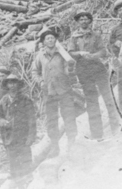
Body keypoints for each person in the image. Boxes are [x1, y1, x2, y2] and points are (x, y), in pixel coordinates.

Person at [67, 11, 119, 140]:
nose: (84, 21)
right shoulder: (74, 37)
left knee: (108, 97)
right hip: (84, 71)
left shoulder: (95, 35)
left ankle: (116, 129)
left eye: (86, 19)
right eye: (81, 20)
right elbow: (71, 52)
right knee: (92, 102)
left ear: (89, 21)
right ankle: (97, 134)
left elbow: (103, 50)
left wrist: (94, 55)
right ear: (78, 22)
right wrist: (81, 53)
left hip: (98, 68)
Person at [32, 26, 79, 156]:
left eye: (52, 38)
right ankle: (54, 147)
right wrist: (41, 81)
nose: (50, 40)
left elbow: (69, 71)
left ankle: (72, 142)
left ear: (55, 40)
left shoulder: (63, 54)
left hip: (64, 89)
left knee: (69, 116)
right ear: (44, 42)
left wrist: (70, 68)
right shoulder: (40, 56)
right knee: (51, 120)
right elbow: (34, 71)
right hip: (49, 91)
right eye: (47, 39)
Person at [0, 75, 37, 188]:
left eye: (14, 82)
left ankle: (27, 182)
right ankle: (14, 181)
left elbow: (32, 120)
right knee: (12, 161)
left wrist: (31, 136)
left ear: (18, 85)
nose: (12, 85)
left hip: (23, 136)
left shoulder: (26, 100)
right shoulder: (4, 100)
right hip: (9, 136)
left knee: (25, 160)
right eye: (10, 83)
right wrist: (2, 122)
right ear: (6, 85)